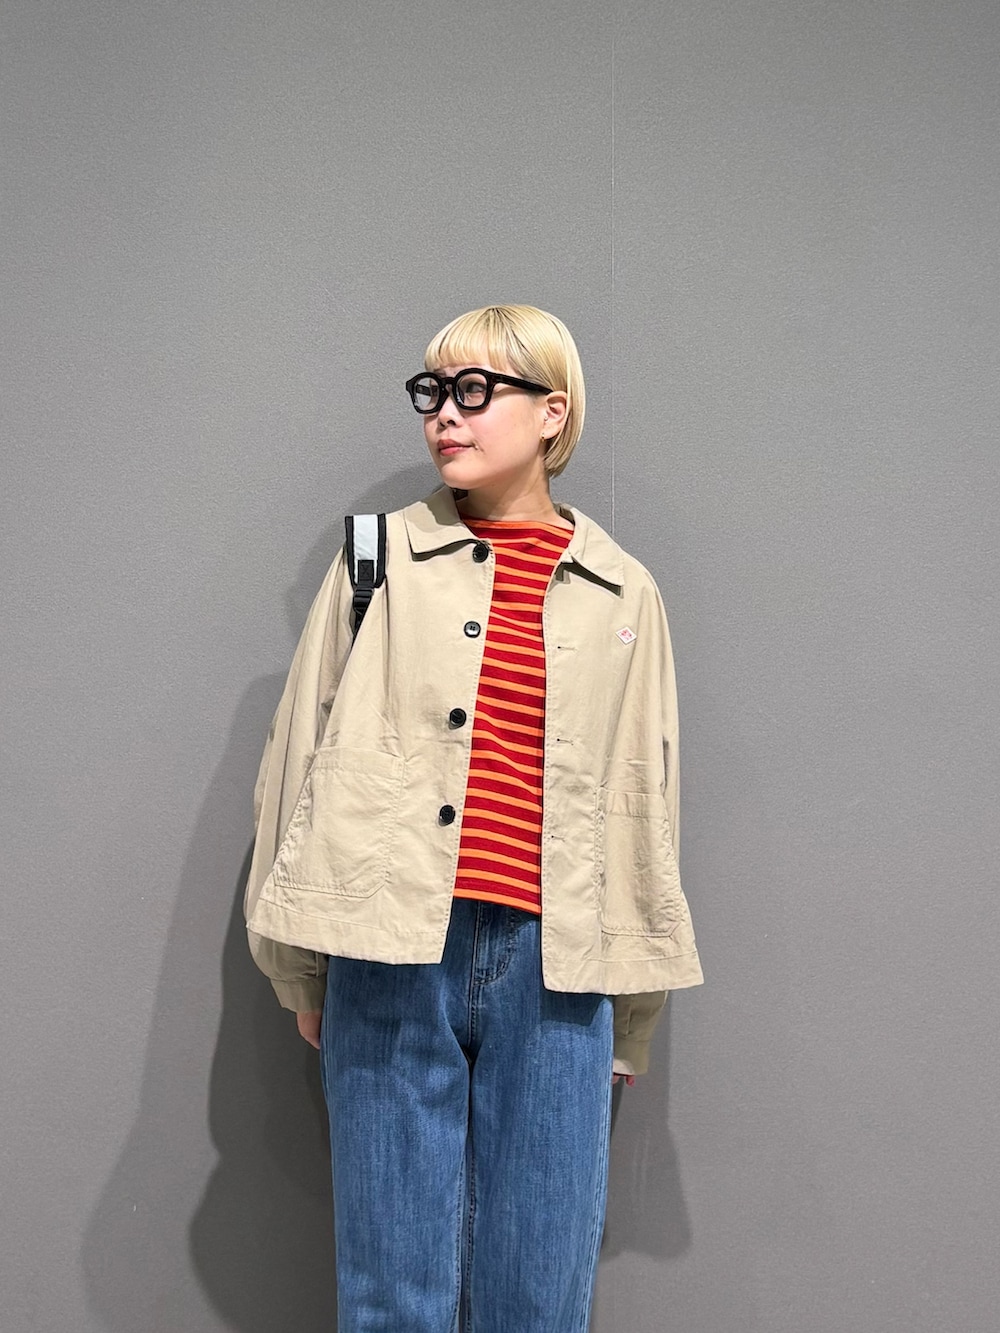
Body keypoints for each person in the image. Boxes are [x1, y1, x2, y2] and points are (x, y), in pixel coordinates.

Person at [244, 304, 703, 1331]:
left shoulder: (623, 591)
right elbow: (298, 755)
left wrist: (634, 1011)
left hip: (558, 965)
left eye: (474, 390)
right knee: (389, 1288)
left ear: (552, 411)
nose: (444, 415)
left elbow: (644, 799)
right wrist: (298, 965)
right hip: (388, 944)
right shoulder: (377, 557)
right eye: (433, 391)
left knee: (540, 1290)